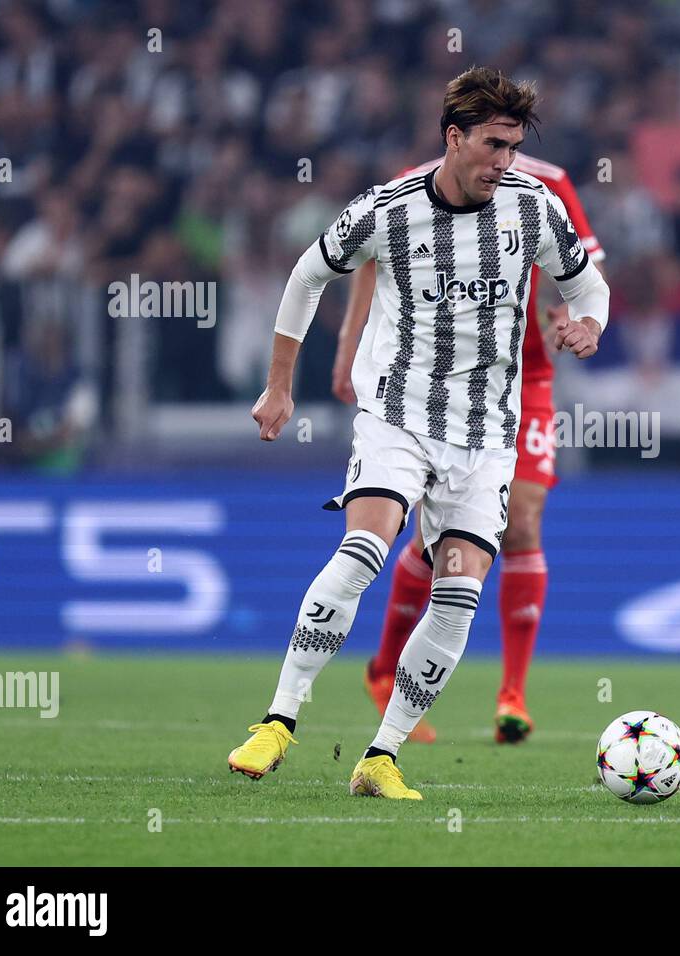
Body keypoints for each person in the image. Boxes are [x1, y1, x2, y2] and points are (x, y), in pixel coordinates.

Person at [226, 65, 609, 799]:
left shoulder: (534, 208)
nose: (506, 161)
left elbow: (586, 281)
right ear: (455, 136)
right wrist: (281, 383)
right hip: (398, 416)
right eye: (495, 145)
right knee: (366, 546)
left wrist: (589, 318)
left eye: (514, 146)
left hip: (489, 432)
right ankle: (279, 718)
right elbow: (308, 275)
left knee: (460, 591)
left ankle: (381, 757)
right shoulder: (389, 209)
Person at [334, 151, 605, 744]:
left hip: (522, 379)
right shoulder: (414, 186)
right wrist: (350, 340)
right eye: (490, 133)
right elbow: (370, 260)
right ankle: (384, 669)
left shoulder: (552, 182)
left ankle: (513, 693)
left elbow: (584, 271)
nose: (499, 149)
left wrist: (572, 314)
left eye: (508, 135)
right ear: (460, 132)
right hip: (434, 384)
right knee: (435, 539)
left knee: (524, 522)